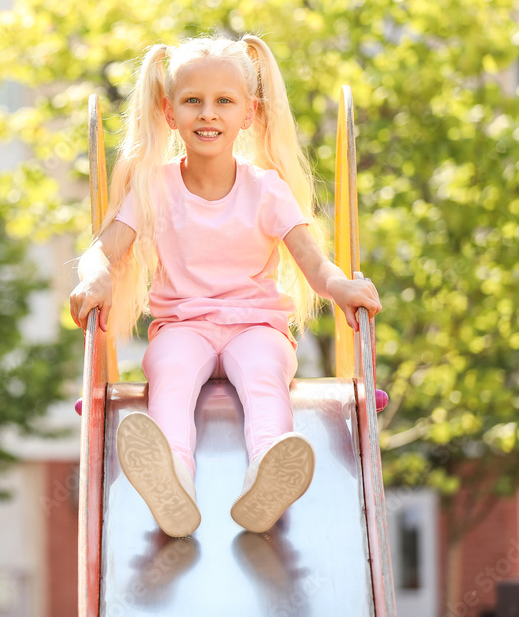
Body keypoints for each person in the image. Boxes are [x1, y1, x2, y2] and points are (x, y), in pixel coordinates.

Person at [68, 33, 382, 537]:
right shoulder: (155, 188)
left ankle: (268, 473)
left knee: (264, 374)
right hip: (182, 327)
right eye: (193, 101)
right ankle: (173, 481)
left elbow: (313, 261)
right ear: (170, 113)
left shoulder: (265, 189)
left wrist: (341, 287)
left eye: (223, 102)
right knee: (169, 374)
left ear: (248, 113)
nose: (208, 114)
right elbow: (104, 248)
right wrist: (98, 275)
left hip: (255, 325)